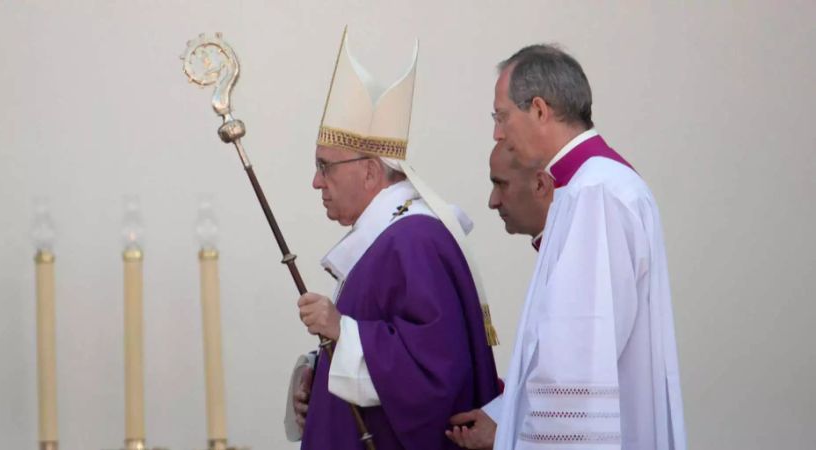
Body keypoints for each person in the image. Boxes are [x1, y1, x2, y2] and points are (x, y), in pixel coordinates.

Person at [289, 29, 500, 450]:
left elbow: (434, 373)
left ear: (369, 171)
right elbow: (386, 338)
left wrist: (340, 331)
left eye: (325, 166)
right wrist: (319, 367)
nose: (316, 182)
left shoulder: (413, 240)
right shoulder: (389, 239)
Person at [487, 44, 686, 450]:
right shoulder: (589, 186)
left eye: (502, 116)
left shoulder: (594, 193)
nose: (498, 133)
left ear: (539, 110)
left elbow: (575, 362)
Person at [445, 142, 555, 450]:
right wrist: (497, 415)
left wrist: (505, 436)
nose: (492, 202)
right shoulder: (555, 249)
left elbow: (573, 384)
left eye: (501, 185)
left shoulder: (576, 260)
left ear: (540, 184)